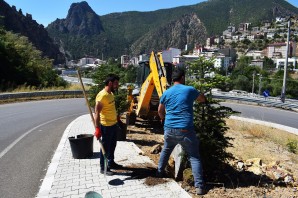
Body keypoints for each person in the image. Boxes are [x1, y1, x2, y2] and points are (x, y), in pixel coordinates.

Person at [157, 69, 206, 195]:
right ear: (183, 77)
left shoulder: (166, 93)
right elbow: (202, 99)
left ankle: (159, 172)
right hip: (185, 129)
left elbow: (160, 111)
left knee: (166, 150)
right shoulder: (189, 90)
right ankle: (199, 187)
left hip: (169, 129)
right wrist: (203, 96)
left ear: (172, 79)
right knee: (194, 157)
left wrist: (163, 119)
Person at [94, 74, 122, 176]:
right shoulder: (103, 95)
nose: (117, 85)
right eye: (116, 83)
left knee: (112, 145)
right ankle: (103, 167)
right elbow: (96, 113)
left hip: (113, 124)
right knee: (105, 147)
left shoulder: (111, 94)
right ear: (110, 83)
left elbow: (111, 108)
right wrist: (97, 129)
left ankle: (111, 163)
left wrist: (116, 117)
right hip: (106, 126)